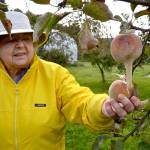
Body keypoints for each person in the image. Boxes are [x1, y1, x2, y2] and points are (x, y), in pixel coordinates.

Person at [0, 11, 143, 150]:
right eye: (11, 39)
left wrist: (103, 107)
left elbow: (80, 102)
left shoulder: (54, 75)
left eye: (26, 39)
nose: (20, 45)